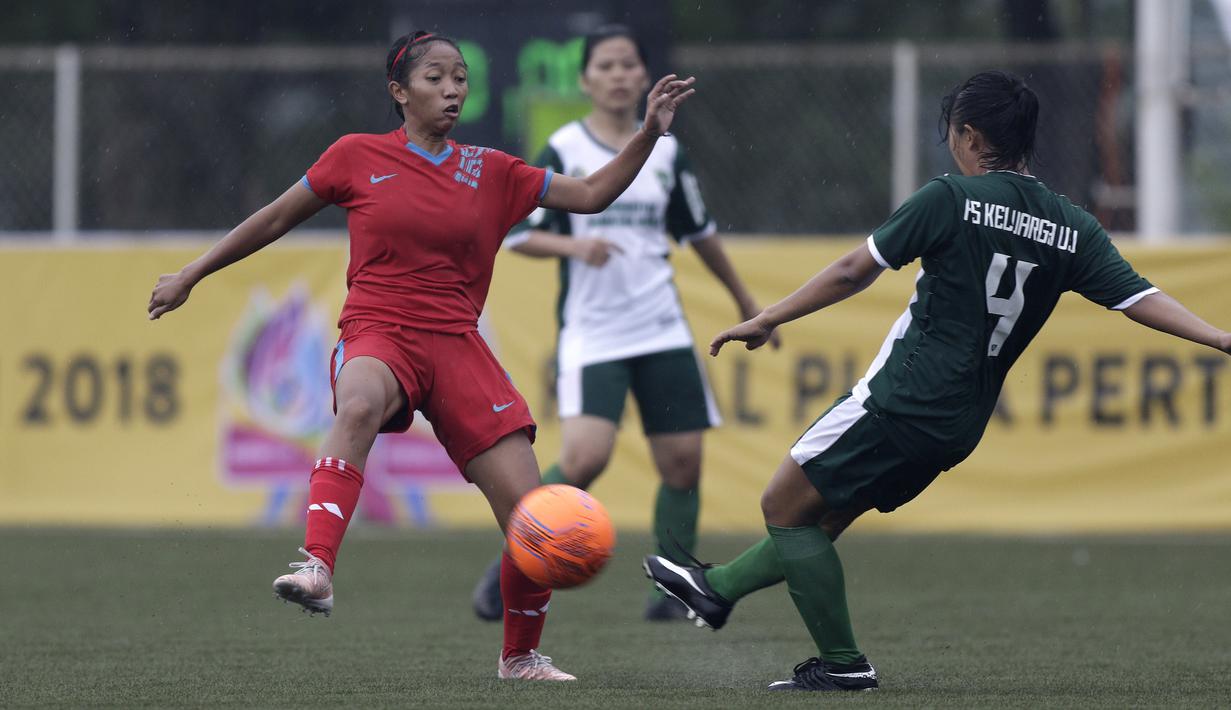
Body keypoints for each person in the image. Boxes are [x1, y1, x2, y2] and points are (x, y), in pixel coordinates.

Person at [644, 70, 1231, 691]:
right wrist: (1220, 337)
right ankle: (715, 589)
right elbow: (1139, 298)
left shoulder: (949, 198)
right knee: (820, 517)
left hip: (902, 398)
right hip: (959, 424)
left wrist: (768, 317)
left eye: (952, 132)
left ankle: (843, 664)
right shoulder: (1072, 226)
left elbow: (852, 271)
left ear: (971, 136)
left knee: (782, 508)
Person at [147, 30, 695, 682]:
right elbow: (272, 218)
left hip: (458, 344)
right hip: (379, 329)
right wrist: (193, 273)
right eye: (435, 77)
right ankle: (317, 566)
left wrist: (648, 133)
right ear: (399, 91)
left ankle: (519, 657)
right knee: (357, 404)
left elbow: (593, 194)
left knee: (535, 518)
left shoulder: (494, 170)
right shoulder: (355, 155)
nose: (452, 89)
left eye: (460, 78)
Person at [470, 24, 775, 623]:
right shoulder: (565, 148)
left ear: (643, 75)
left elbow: (700, 232)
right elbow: (520, 235)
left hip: (660, 327)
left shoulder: (667, 152)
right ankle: (512, 561)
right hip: (594, 331)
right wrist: (574, 247)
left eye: (627, 64)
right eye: (605, 66)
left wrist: (747, 302)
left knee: (683, 463)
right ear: (584, 80)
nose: (617, 75)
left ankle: (675, 590)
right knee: (585, 458)